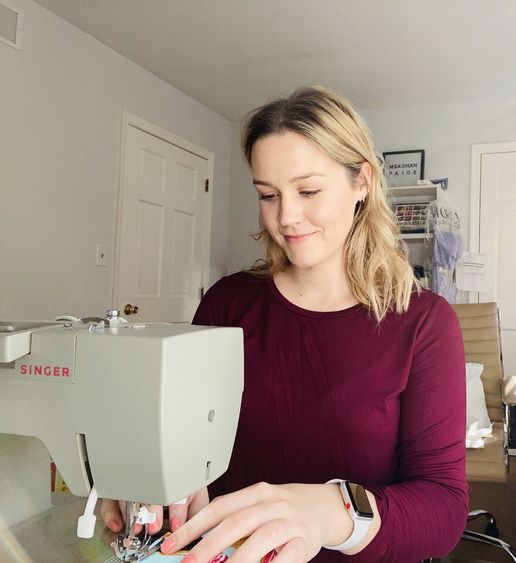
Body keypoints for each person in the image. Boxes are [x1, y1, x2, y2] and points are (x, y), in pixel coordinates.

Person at [103, 85, 468, 562]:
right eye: (268, 195)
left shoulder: (424, 323)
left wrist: (333, 511)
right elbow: (180, 432)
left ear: (362, 182)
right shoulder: (227, 303)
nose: (286, 217)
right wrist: (147, 475)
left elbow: (442, 510)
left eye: (309, 190)